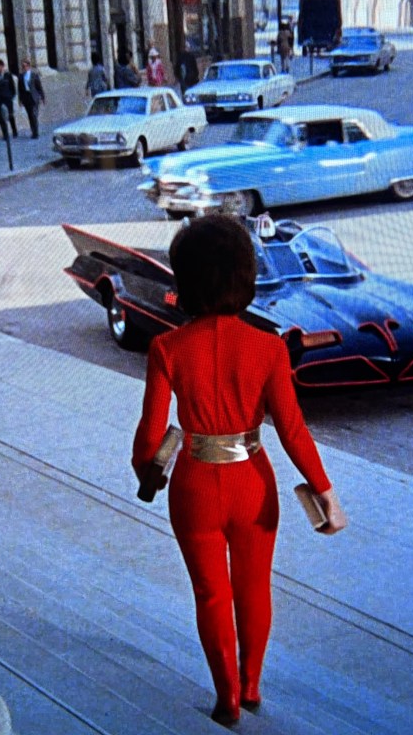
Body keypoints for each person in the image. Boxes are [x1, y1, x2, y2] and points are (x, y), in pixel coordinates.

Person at [131, 215, 347, 726]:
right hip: (253, 480)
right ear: (244, 278)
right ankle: (252, 686)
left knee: (210, 594)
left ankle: (225, 699)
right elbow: (294, 431)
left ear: (183, 281)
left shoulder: (167, 349)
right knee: (254, 587)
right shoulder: (269, 348)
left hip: (195, 483)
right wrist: (326, 494)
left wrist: (148, 470)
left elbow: (149, 435)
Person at [0, 57, 18, 138]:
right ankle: (5, 134)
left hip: (8, 98)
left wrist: (12, 96)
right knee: (1, 117)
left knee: (10, 115)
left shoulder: (8, 75)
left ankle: (14, 131)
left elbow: (12, 87)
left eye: (0, 66)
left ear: (3, 66)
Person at [18, 58, 45, 138]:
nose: (24, 68)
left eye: (25, 66)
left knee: (34, 115)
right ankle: (33, 131)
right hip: (26, 97)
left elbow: (39, 87)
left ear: (29, 66)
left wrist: (42, 97)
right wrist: (20, 100)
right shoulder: (21, 76)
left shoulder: (34, 75)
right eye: (23, 66)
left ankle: (36, 132)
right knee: (30, 115)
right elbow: (20, 89)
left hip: (34, 97)